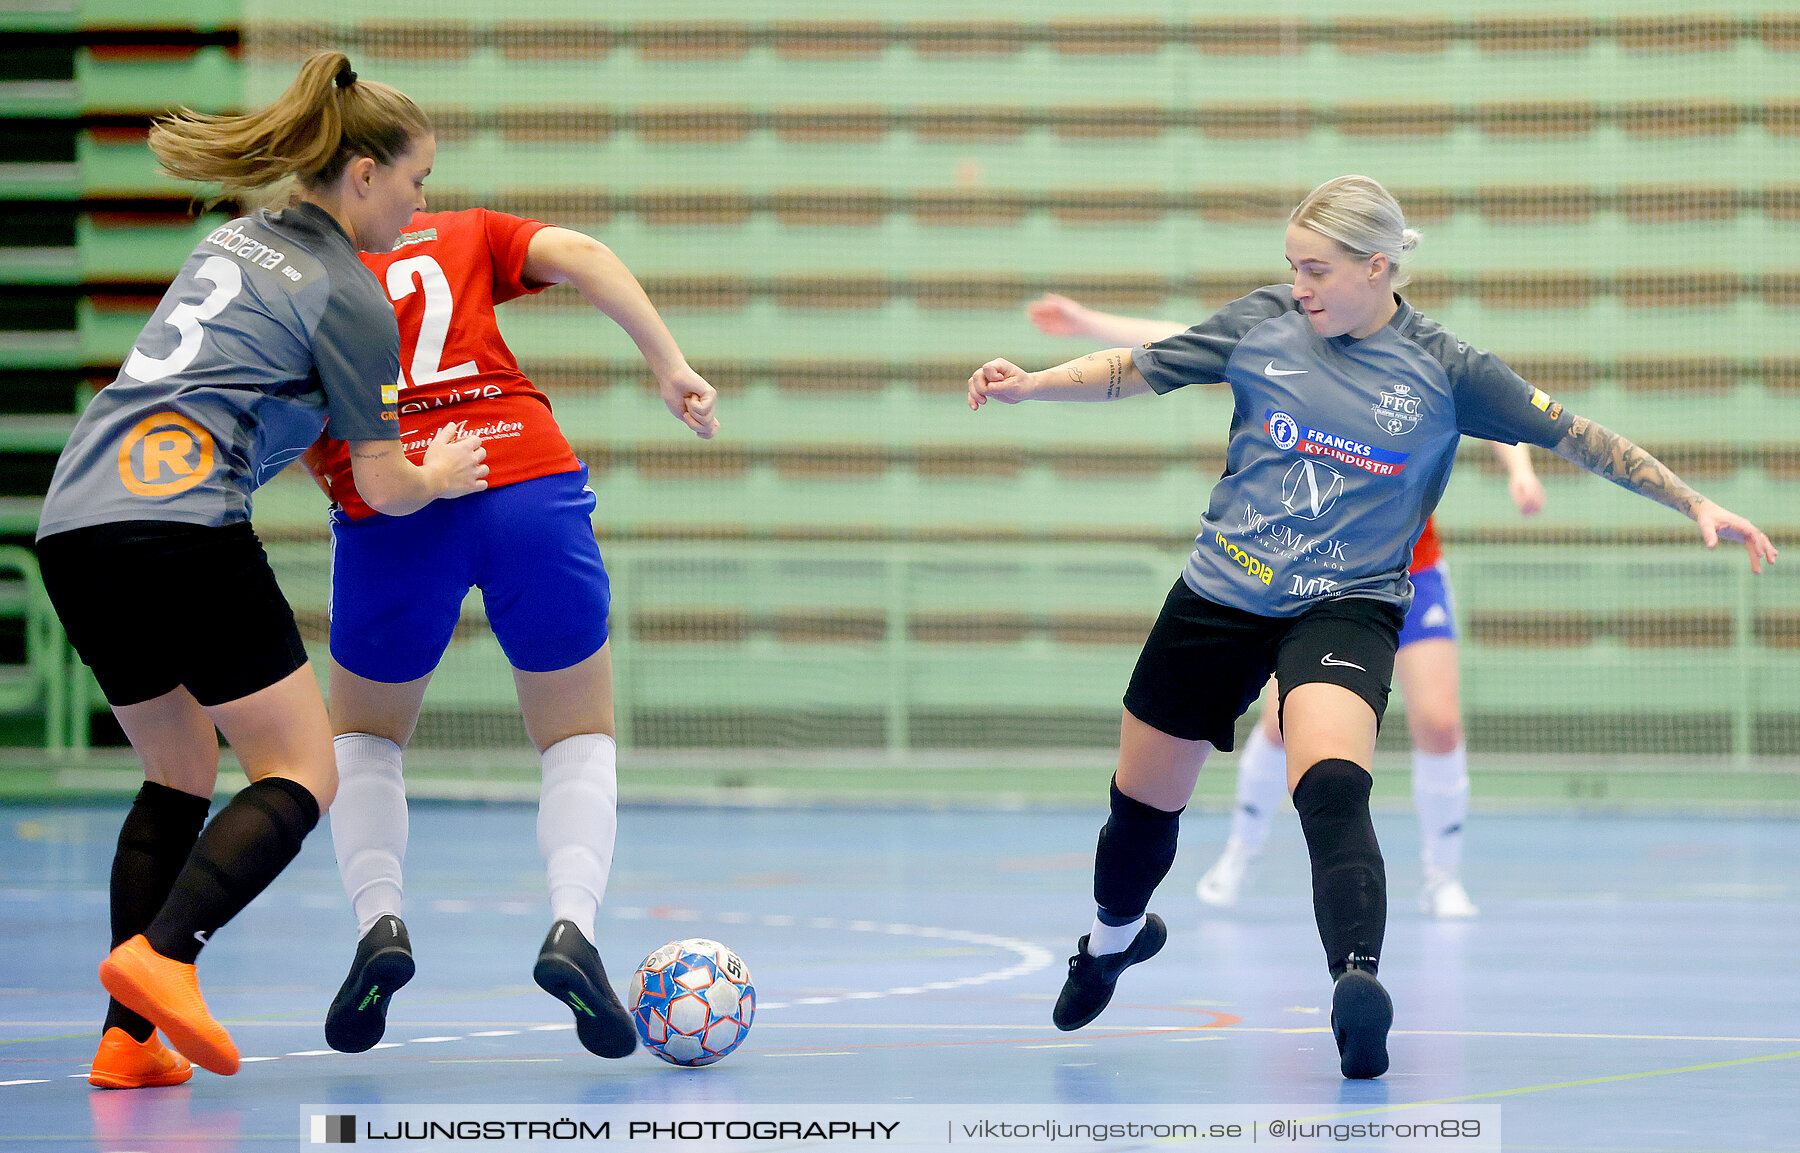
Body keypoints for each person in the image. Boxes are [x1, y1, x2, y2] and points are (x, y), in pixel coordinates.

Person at [968, 175, 1775, 1079]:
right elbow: (1138, 366)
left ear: (1376, 266)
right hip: (1219, 592)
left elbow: (1580, 435)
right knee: (1141, 812)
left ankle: (1357, 981)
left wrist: (1694, 500)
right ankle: (1113, 939)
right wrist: (1033, 385)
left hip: (1346, 602)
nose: (1299, 282)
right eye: (1292, 266)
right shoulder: (1264, 322)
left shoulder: (1446, 368)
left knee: (1332, 783)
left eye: (1315, 267)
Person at [33, 52, 487, 1088]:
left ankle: (128, 1041)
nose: (423, 205)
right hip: (181, 524)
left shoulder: (232, 238)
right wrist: (442, 469)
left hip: (77, 521)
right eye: (417, 181)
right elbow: (382, 484)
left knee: (177, 769)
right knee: (303, 769)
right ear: (362, 175)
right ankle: (164, 955)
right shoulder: (351, 296)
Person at [306, 207, 718, 1059]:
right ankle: (573, 927)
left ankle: (378, 922)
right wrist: (669, 365)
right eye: (418, 172)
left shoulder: (301, 268)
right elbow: (586, 255)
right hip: (521, 471)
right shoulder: (462, 231)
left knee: (366, 736)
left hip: (392, 496)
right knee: (576, 733)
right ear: (377, 173)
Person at [1026, 293, 1550, 918]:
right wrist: (1089, 322)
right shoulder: (1288, 347)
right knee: (1282, 726)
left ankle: (1443, 877)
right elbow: (1183, 340)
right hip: (1319, 588)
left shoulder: (1425, 366)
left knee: (1439, 722)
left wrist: (1520, 472)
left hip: (1410, 579)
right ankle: (1238, 856)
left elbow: (1500, 408)